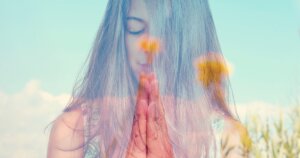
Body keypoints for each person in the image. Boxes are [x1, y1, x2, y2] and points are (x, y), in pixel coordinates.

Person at [47, 0, 251, 157]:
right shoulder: (74, 131)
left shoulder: (228, 137)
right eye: (136, 28)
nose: (149, 45)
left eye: (165, 31)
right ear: (118, 34)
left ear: (190, 39)